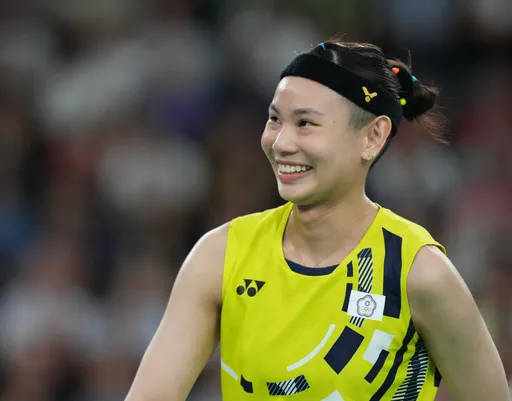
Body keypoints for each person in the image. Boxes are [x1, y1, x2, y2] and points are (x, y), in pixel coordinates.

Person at [124, 40, 509, 401]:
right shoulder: (220, 256)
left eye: (305, 123)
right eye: (275, 119)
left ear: (373, 137)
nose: (281, 142)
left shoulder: (419, 273)